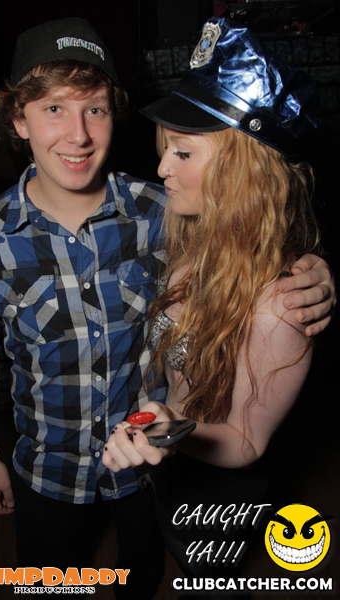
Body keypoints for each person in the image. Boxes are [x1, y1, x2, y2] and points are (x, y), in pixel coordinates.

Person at [0, 16, 334, 599]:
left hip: (146, 472)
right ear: (18, 120)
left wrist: (315, 267)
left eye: (96, 109)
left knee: (141, 574)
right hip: (48, 470)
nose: (79, 134)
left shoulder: (160, 209)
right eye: (53, 108)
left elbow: (245, 228)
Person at [102, 16, 335, 595]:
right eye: (166, 150)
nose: (161, 168)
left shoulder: (280, 306)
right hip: (169, 467)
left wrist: (173, 430)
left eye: (182, 153)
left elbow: (247, 441)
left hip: (219, 496)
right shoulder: (193, 237)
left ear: (240, 173)